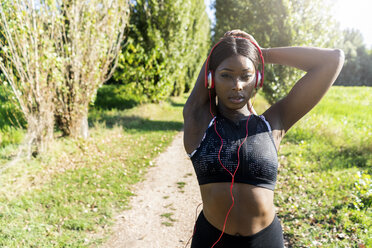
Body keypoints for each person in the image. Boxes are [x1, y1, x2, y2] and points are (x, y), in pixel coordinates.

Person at [183, 30, 344, 248]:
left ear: (257, 78)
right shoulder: (198, 121)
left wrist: (261, 53)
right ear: (210, 78)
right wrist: (225, 45)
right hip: (212, 240)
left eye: (246, 75)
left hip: (265, 241)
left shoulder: (274, 123)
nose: (237, 85)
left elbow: (333, 60)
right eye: (226, 75)